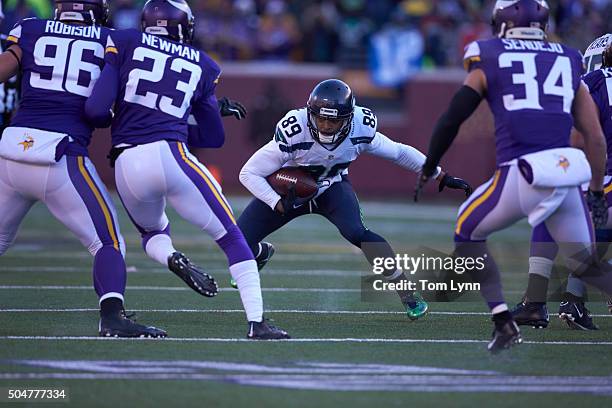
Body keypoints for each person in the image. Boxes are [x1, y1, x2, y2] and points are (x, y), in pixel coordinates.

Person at [84, 0, 288, 340]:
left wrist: (125, 118)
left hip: (126, 162)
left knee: (151, 234)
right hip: (172, 155)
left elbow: (95, 108)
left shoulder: (124, 41)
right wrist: (177, 123)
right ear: (185, 27)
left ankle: (174, 257)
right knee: (233, 238)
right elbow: (213, 137)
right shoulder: (202, 64)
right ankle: (257, 322)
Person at [415, 0, 612, 353]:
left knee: (467, 230)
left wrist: (430, 165)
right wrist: (596, 191)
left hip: (523, 172)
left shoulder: (488, 53)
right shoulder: (568, 57)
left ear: (502, 21)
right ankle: (524, 310)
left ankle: (503, 322)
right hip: (568, 172)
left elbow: (453, 116)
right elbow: (594, 137)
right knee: (585, 264)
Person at [237, 78, 472, 320]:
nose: (327, 125)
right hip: (290, 192)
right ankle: (260, 253)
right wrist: (276, 201)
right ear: (310, 114)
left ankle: (406, 291)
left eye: (334, 120)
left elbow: (399, 152)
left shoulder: (361, 127)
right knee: (239, 239)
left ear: (349, 117)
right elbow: (248, 173)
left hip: (332, 188)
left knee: (358, 233)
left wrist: (439, 175)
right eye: (321, 118)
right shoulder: (294, 130)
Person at [0, 0, 165, 338]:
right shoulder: (112, 39)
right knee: (108, 242)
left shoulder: (31, 28)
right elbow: (107, 107)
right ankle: (112, 316)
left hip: (12, 150)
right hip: (61, 155)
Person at [513, 32, 612, 331]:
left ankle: (538, 301)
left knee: (556, 215)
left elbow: (579, 131)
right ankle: (569, 300)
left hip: (600, 173)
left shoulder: (594, 81)